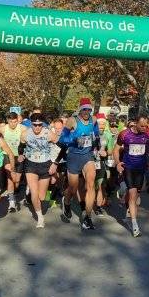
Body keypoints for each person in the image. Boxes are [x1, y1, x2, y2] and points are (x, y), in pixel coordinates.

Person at [113, 115, 149, 237]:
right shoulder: (124, 134)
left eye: (146, 126)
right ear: (135, 124)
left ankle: (128, 211)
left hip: (141, 169)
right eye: (142, 126)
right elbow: (116, 149)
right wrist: (118, 163)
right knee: (133, 195)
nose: (144, 128)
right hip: (128, 168)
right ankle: (135, 225)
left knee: (136, 197)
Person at [59, 98, 99, 230]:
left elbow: (96, 133)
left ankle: (87, 217)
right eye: (84, 109)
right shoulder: (72, 120)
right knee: (73, 188)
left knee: (91, 184)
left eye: (89, 109)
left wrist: (97, 143)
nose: (87, 112)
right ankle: (67, 201)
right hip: (73, 157)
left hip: (87, 156)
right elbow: (62, 139)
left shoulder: (93, 120)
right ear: (80, 110)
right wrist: (74, 138)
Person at [18, 113, 59, 228]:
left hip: (45, 165)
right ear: (31, 124)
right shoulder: (25, 134)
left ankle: (31, 192)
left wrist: (55, 164)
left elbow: (60, 147)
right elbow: (20, 147)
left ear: (43, 124)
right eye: (34, 125)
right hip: (30, 165)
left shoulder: (49, 134)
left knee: (41, 196)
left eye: (39, 125)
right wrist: (21, 154)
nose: (37, 127)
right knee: (35, 194)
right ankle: (40, 218)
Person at [0, 112, 26, 212]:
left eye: (15, 122)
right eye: (11, 122)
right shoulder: (3, 128)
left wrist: (23, 154)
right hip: (6, 155)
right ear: (7, 121)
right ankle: (12, 203)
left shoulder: (22, 128)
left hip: (18, 156)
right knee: (10, 177)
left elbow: (27, 141)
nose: (13, 124)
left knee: (17, 181)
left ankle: (15, 193)